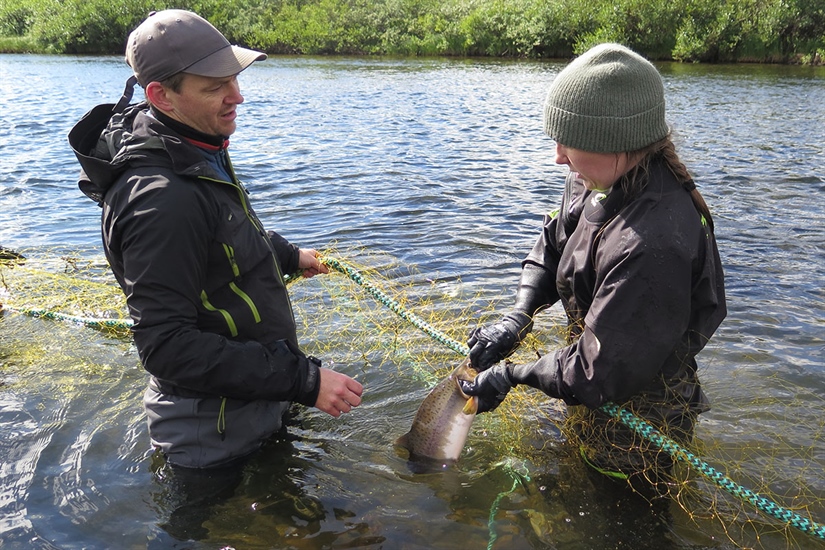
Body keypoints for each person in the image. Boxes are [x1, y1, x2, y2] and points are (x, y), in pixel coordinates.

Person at [68, 10, 363, 470]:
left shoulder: (195, 143)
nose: (237, 97)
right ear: (161, 96)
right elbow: (166, 347)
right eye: (214, 87)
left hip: (255, 396)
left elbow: (225, 231)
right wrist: (306, 382)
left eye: (233, 79)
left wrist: (287, 255)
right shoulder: (161, 201)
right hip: (212, 435)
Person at [461, 43, 726, 489]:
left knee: (615, 513)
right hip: (593, 395)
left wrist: (512, 375)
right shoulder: (596, 178)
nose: (559, 156)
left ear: (615, 142)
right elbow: (553, 243)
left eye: (569, 142)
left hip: (639, 430)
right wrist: (518, 316)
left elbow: (593, 370)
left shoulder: (653, 244)